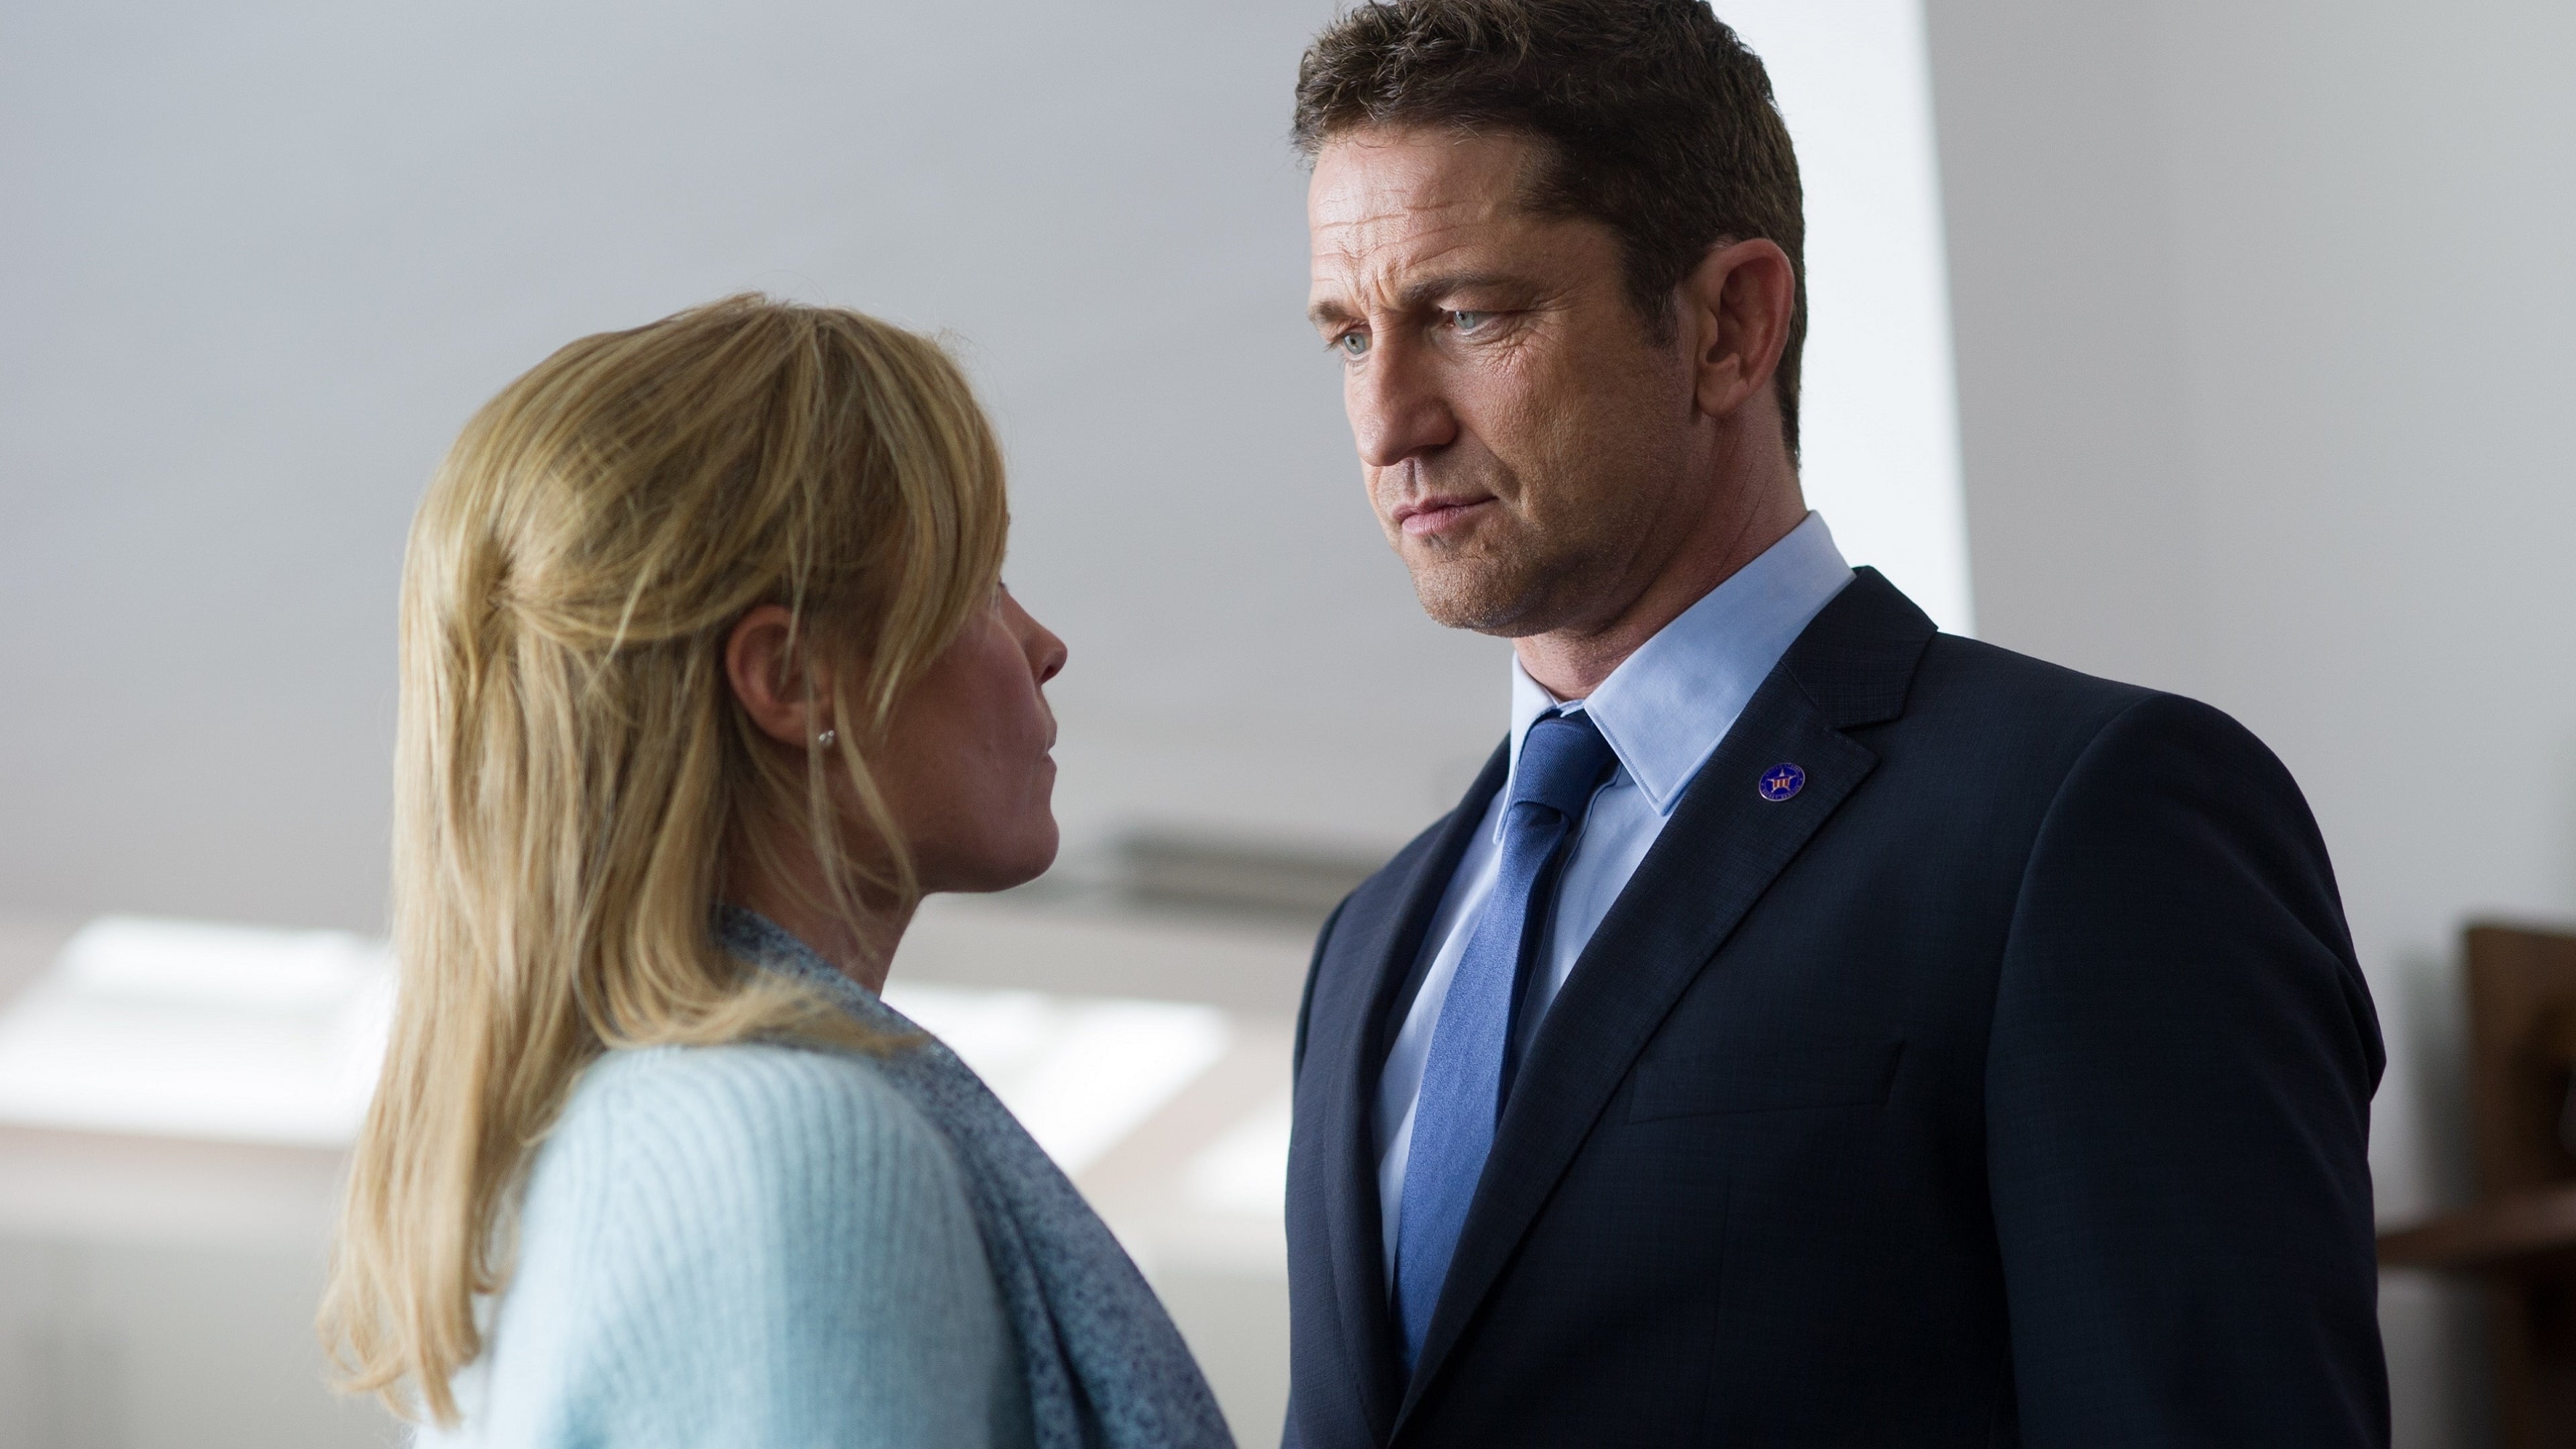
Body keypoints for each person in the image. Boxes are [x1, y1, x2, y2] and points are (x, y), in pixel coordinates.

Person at [1280, 3, 2387, 1446]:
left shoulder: (2085, 820)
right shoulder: (1369, 943)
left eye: (1468, 315)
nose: (1388, 423)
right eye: (1348, 336)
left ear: (1731, 325)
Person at [318, 297, 1234, 1448]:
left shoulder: (575, 1161)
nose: (1043, 645)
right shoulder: (791, 1152)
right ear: (794, 679)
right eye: (979, 582)